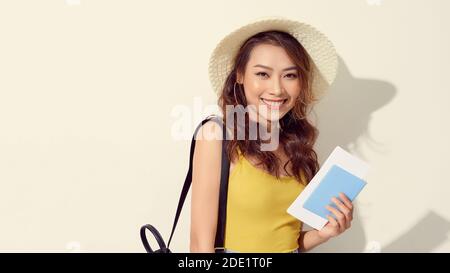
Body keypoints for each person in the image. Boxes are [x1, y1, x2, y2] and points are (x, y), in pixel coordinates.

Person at [190, 17, 353, 253]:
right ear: (240, 75)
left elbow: (285, 242)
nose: (277, 89)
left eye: (290, 75)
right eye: (263, 74)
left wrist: (322, 234)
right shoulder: (216, 136)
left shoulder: (296, 146)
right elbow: (199, 245)